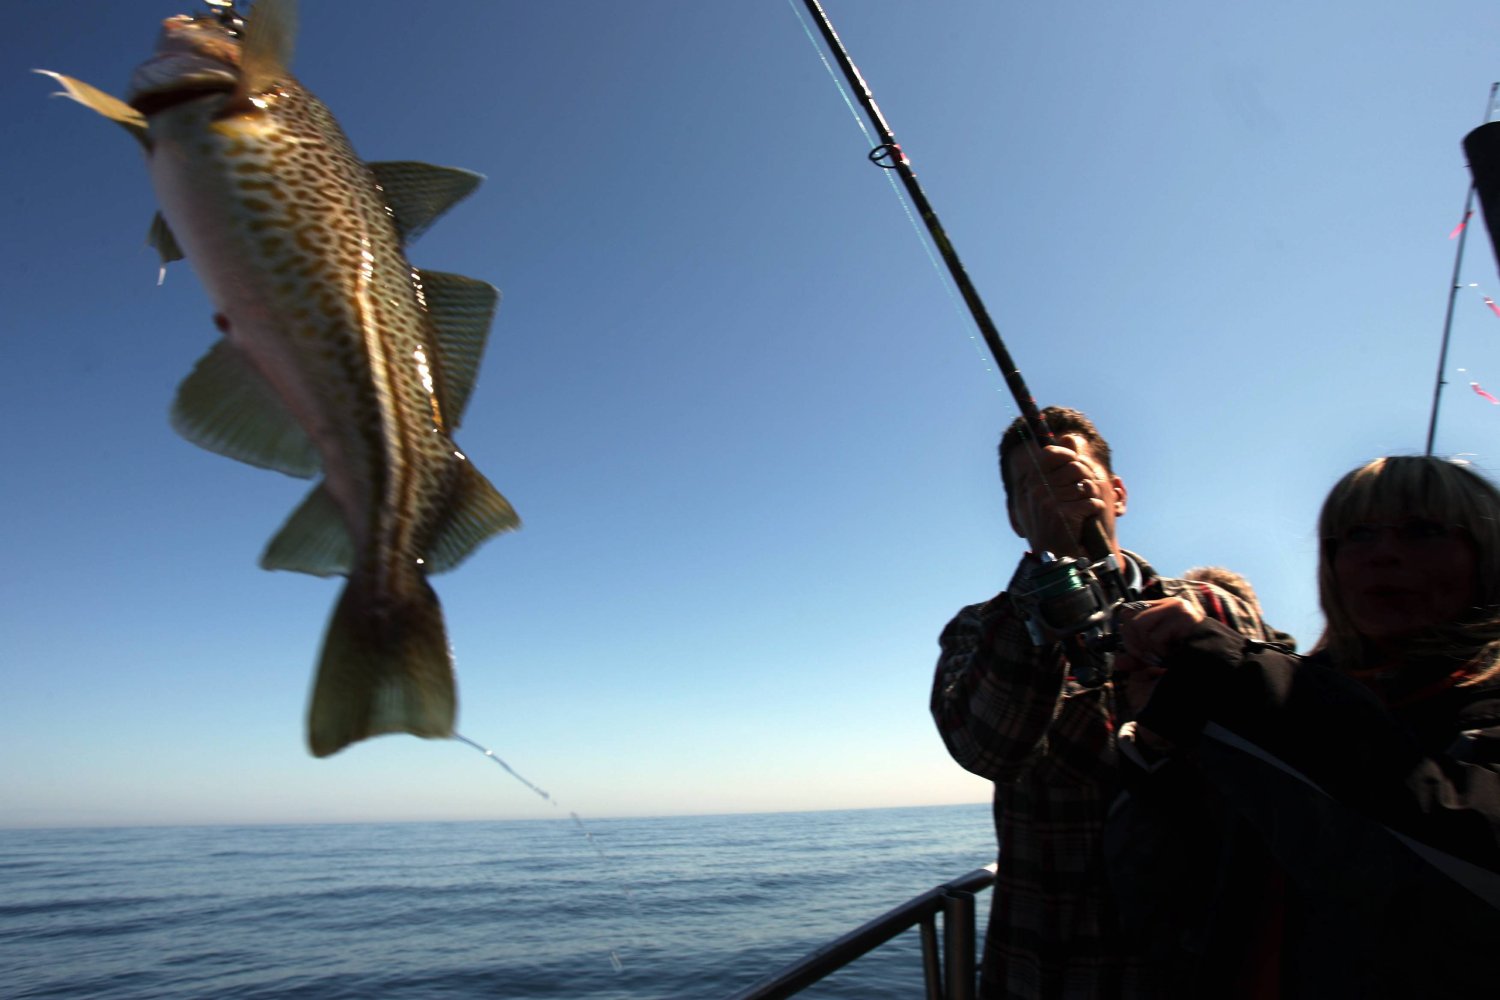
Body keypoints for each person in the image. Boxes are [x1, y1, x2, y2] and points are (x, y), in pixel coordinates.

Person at [1109, 455, 1500, 997]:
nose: (1384, 553)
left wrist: (1232, 679)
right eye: (1358, 534)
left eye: (1423, 530)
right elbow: (1172, 896)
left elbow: (1465, 856)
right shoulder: (1297, 691)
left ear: (1485, 555)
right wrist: (1163, 754)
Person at [930, 406, 1286, 999]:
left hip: (1214, 964)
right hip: (1054, 974)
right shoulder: (983, 629)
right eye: (1032, 486)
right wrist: (1044, 598)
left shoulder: (1214, 609)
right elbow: (986, 749)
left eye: (1072, 471)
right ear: (1017, 518)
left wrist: (1205, 664)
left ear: (1117, 492)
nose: (1056, 491)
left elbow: (1295, 737)